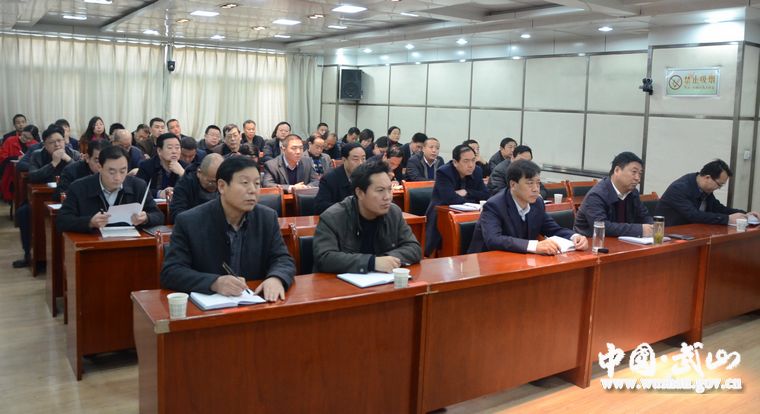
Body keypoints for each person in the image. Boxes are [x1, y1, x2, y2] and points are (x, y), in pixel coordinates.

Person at [161, 156, 295, 301]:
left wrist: (276, 278)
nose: (252, 190)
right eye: (245, 183)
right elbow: (171, 272)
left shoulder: (267, 218)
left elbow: (282, 259)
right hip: (208, 307)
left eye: (257, 183)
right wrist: (214, 282)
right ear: (222, 186)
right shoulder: (189, 221)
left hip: (254, 302)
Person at [313, 160, 422, 273]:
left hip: (382, 280)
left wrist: (386, 260)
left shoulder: (393, 213)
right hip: (339, 282)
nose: (387, 197)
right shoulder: (333, 217)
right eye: (380, 190)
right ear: (360, 193)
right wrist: (371, 262)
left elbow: (414, 248)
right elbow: (324, 258)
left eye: (389, 189)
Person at [468, 160, 588, 254]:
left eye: (538, 183)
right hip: (486, 263)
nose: (536, 189)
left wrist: (575, 236)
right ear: (513, 185)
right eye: (530, 183)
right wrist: (534, 246)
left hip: (519, 260)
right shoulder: (494, 205)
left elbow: (553, 229)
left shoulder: (537, 203)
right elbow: (493, 240)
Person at [13, 124, 81, 268]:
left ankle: (65, 257)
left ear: (65, 140)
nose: (57, 145)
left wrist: (69, 160)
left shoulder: (73, 154)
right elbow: (33, 176)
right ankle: (29, 254)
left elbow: (82, 176)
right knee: (23, 212)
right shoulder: (37, 155)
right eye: (52, 142)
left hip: (68, 199)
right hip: (39, 198)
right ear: (44, 144)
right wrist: (53, 163)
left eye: (60, 140)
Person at [57, 145, 164, 233]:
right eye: (112, 172)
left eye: (123, 171)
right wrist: (90, 222)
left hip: (129, 244)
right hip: (93, 245)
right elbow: (62, 220)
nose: (118, 177)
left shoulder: (138, 186)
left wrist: (146, 218)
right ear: (100, 167)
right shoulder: (79, 187)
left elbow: (159, 216)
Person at [424, 144, 490, 256]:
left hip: (470, 213)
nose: (471, 165)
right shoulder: (443, 172)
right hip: (441, 213)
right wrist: (473, 198)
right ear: (455, 162)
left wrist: (467, 192)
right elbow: (450, 198)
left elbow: (486, 195)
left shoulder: (477, 171)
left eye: (473, 160)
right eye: (466, 161)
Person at [656, 159, 759, 226]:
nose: (718, 188)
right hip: (670, 234)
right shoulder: (679, 188)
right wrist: (727, 219)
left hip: (692, 231)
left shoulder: (704, 189)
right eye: (719, 184)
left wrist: (745, 214)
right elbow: (693, 215)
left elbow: (718, 208)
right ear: (707, 178)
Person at [574, 151, 654, 237]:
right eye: (634, 172)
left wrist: (652, 227)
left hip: (622, 241)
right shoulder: (596, 195)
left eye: (640, 174)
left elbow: (644, 216)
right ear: (617, 170)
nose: (638, 178)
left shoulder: (633, 193)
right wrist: (639, 230)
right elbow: (602, 226)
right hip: (591, 242)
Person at [170, 153, 224, 222]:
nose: (215, 186)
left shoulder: (227, 184)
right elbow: (177, 213)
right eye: (211, 182)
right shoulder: (185, 183)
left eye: (218, 182)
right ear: (199, 173)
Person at [314, 143, 366, 215]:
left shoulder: (368, 177)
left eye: (363, 159)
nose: (361, 163)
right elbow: (320, 207)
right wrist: (348, 208)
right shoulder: (330, 179)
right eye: (356, 159)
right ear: (344, 160)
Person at [136, 133, 187, 198]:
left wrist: (182, 173)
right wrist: (159, 193)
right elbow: (138, 189)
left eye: (177, 148)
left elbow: (195, 190)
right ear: (159, 151)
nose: (174, 151)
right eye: (170, 148)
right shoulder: (146, 166)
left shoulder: (185, 167)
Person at [0, 124, 40, 202]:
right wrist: (17, 158)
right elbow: (2, 157)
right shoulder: (10, 140)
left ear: (33, 138)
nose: (25, 139)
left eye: (29, 138)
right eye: (24, 135)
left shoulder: (35, 144)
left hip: (28, 173)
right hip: (11, 172)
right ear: (22, 132)